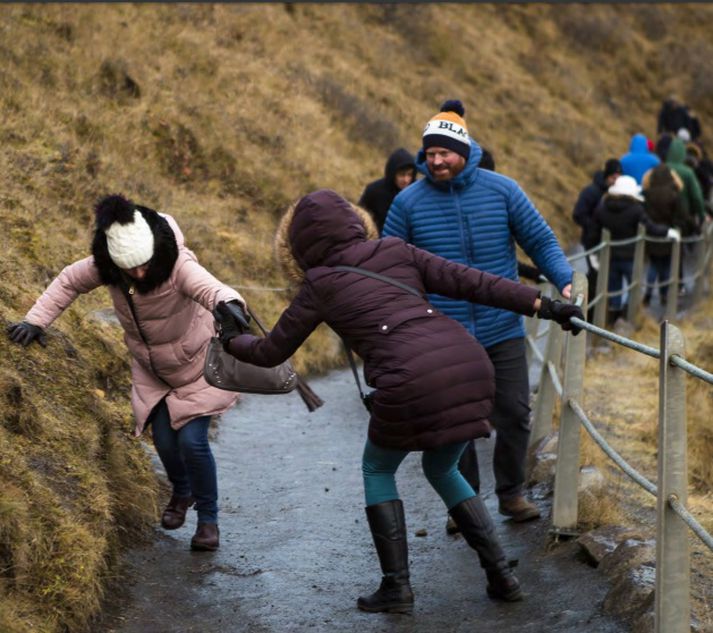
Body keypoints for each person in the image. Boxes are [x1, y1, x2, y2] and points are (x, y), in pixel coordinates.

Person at [213, 189, 583, 613]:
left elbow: (270, 353)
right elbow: (474, 282)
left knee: (377, 466)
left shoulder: (318, 284)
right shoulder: (395, 250)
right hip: (467, 362)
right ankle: (501, 575)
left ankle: (397, 587)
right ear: (355, 222)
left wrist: (231, 339)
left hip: (410, 378)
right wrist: (548, 306)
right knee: (441, 466)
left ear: (296, 248)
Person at [6, 194, 246, 551]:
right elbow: (69, 281)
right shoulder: (105, 268)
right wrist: (35, 321)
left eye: (144, 265)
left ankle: (208, 521)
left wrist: (229, 306)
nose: (139, 274)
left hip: (198, 366)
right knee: (164, 441)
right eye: (129, 269)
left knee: (193, 443)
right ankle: (182, 492)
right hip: (153, 371)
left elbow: (211, 288)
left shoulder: (178, 264)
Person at [382, 100, 574, 523]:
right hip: (443, 331)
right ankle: (463, 503)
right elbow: (390, 265)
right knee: (457, 423)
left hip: (501, 324)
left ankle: (511, 493)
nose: (436, 161)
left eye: (443, 154)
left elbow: (539, 240)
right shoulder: (408, 203)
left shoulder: (502, 190)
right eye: (429, 154)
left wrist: (563, 278)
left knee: (515, 413)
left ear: (464, 152)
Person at [590, 175, 677, 322]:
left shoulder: (602, 208)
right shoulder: (635, 210)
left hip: (609, 255)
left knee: (613, 289)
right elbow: (650, 227)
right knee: (634, 286)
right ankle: (628, 316)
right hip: (630, 255)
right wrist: (667, 231)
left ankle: (613, 318)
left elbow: (594, 231)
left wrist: (593, 253)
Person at [572, 158, 623, 315]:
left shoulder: (618, 193)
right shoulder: (591, 192)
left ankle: (601, 311)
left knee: (607, 276)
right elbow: (578, 214)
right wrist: (594, 225)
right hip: (592, 242)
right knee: (596, 276)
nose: (616, 181)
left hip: (610, 242)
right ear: (607, 176)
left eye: (618, 177)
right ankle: (590, 311)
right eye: (613, 177)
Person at [641, 165, 686, 306]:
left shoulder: (647, 193)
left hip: (652, 234)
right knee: (666, 266)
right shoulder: (674, 194)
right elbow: (680, 216)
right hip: (668, 234)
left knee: (653, 265)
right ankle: (664, 295)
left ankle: (647, 294)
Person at [358, 148, 416, 234]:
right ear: (392, 173)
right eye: (401, 175)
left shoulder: (417, 192)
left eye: (409, 175)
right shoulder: (374, 191)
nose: (406, 180)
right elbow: (360, 216)